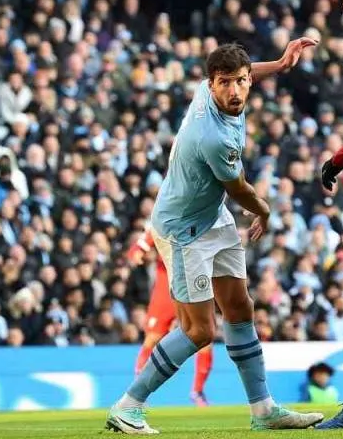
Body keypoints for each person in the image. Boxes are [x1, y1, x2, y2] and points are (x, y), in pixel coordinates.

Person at [104, 42, 325, 434]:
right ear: (211, 84)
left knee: (240, 308)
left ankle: (264, 410)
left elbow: (246, 69)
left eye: (240, 81)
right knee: (199, 330)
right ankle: (128, 406)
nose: (234, 91)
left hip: (212, 216)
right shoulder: (213, 136)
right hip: (182, 229)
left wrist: (278, 64)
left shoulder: (211, 92)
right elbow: (239, 190)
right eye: (225, 83)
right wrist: (264, 211)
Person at [126, 228, 215, 406]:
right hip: (167, 284)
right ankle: (137, 394)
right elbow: (143, 242)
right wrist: (137, 251)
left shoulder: (203, 218)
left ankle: (197, 392)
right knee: (153, 338)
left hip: (194, 284)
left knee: (205, 338)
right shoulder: (164, 219)